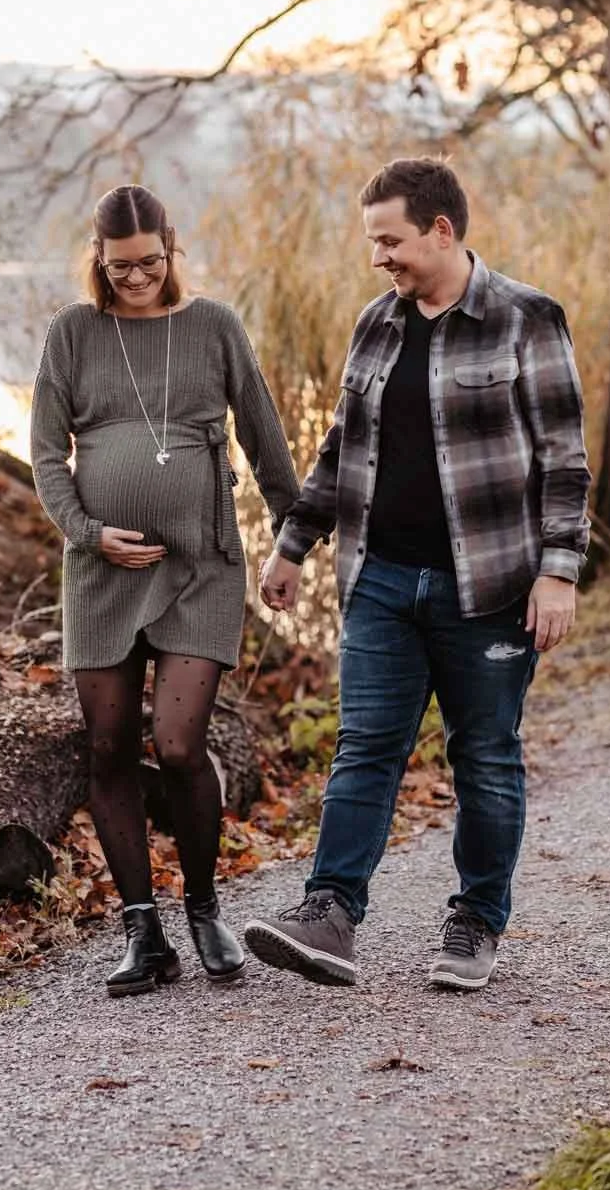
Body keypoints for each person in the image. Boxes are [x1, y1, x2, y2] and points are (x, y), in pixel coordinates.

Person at [246, 156, 591, 992]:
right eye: (372, 242)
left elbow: (566, 462)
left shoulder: (526, 319)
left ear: (441, 230)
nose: (379, 258)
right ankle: (329, 914)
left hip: (492, 590)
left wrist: (559, 573)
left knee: (484, 756)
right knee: (365, 746)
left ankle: (476, 921)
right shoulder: (378, 324)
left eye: (390, 240)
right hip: (382, 583)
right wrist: (294, 543)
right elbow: (341, 448)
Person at [30, 184, 298, 996]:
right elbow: (46, 455)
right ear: (98, 260)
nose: (136, 278)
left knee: (179, 744)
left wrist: (295, 531)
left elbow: (260, 428)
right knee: (108, 747)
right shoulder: (74, 332)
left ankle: (206, 909)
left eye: (149, 262)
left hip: (200, 568)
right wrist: (87, 531)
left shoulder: (213, 324)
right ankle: (142, 931)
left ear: (171, 248)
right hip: (101, 574)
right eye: (119, 267)